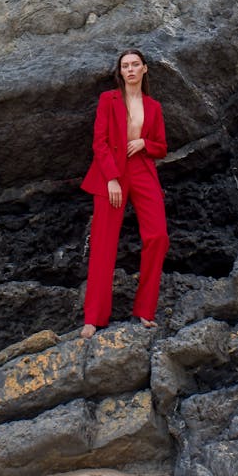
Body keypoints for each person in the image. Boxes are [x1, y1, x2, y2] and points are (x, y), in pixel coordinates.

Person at [80, 48, 169, 338]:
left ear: (145, 69)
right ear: (120, 72)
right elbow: (99, 142)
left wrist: (145, 143)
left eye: (135, 65)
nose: (129, 70)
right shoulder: (108, 99)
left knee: (158, 236)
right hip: (111, 174)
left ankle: (145, 311)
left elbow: (162, 146)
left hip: (143, 170)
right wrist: (112, 179)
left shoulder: (154, 106)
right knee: (104, 244)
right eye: (124, 66)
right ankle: (93, 318)